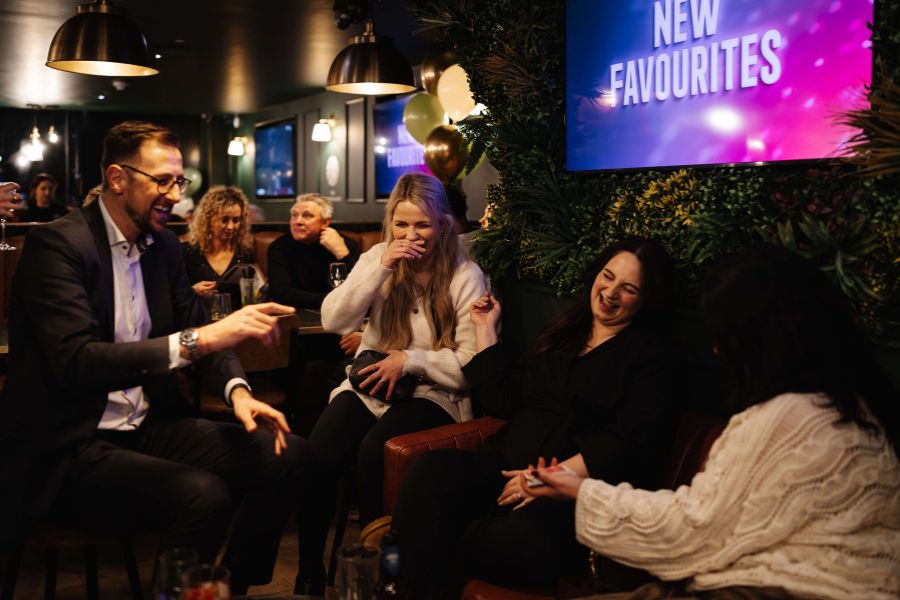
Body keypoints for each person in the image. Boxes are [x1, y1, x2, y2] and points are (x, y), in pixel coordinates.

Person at [0, 121, 310, 594]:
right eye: (161, 180)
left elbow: (197, 322)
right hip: (69, 445)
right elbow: (78, 362)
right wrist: (199, 341)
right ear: (118, 177)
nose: (173, 193)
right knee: (203, 495)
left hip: (145, 426)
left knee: (288, 453)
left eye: (178, 181)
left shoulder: (163, 245)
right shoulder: (58, 246)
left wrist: (240, 393)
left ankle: (228, 585)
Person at [524, 244, 900, 600]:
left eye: (722, 334)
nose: (717, 349)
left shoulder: (784, 418)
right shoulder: (857, 408)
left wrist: (579, 490)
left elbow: (694, 530)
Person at [392, 237, 679, 599]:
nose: (610, 292)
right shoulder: (565, 331)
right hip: (504, 463)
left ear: (646, 299)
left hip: (568, 489)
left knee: (507, 538)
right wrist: (484, 327)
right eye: (607, 277)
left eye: (629, 289)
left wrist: (547, 478)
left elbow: (628, 442)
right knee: (431, 471)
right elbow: (504, 399)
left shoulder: (652, 357)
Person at [294, 173, 487, 595]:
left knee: (372, 453)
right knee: (317, 454)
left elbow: (471, 364)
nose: (411, 235)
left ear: (442, 225)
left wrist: (410, 359)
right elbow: (333, 321)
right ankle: (309, 571)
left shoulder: (465, 273)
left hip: (432, 391)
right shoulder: (378, 258)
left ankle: (379, 573)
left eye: (422, 225)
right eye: (401, 225)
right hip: (371, 384)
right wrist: (379, 268)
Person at [267, 193, 364, 428]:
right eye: (294, 215)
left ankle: (336, 422)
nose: (298, 220)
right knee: (293, 351)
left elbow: (363, 291)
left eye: (307, 215)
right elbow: (283, 294)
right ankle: (294, 421)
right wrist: (335, 300)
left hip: (336, 331)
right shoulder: (280, 247)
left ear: (325, 223)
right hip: (298, 333)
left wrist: (343, 254)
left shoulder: (344, 245)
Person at [182, 185, 255, 298]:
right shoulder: (188, 251)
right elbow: (174, 294)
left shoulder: (245, 253)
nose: (231, 226)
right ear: (208, 219)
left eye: (236, 220)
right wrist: (193, 291)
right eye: (224, 220)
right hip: (199, 314)